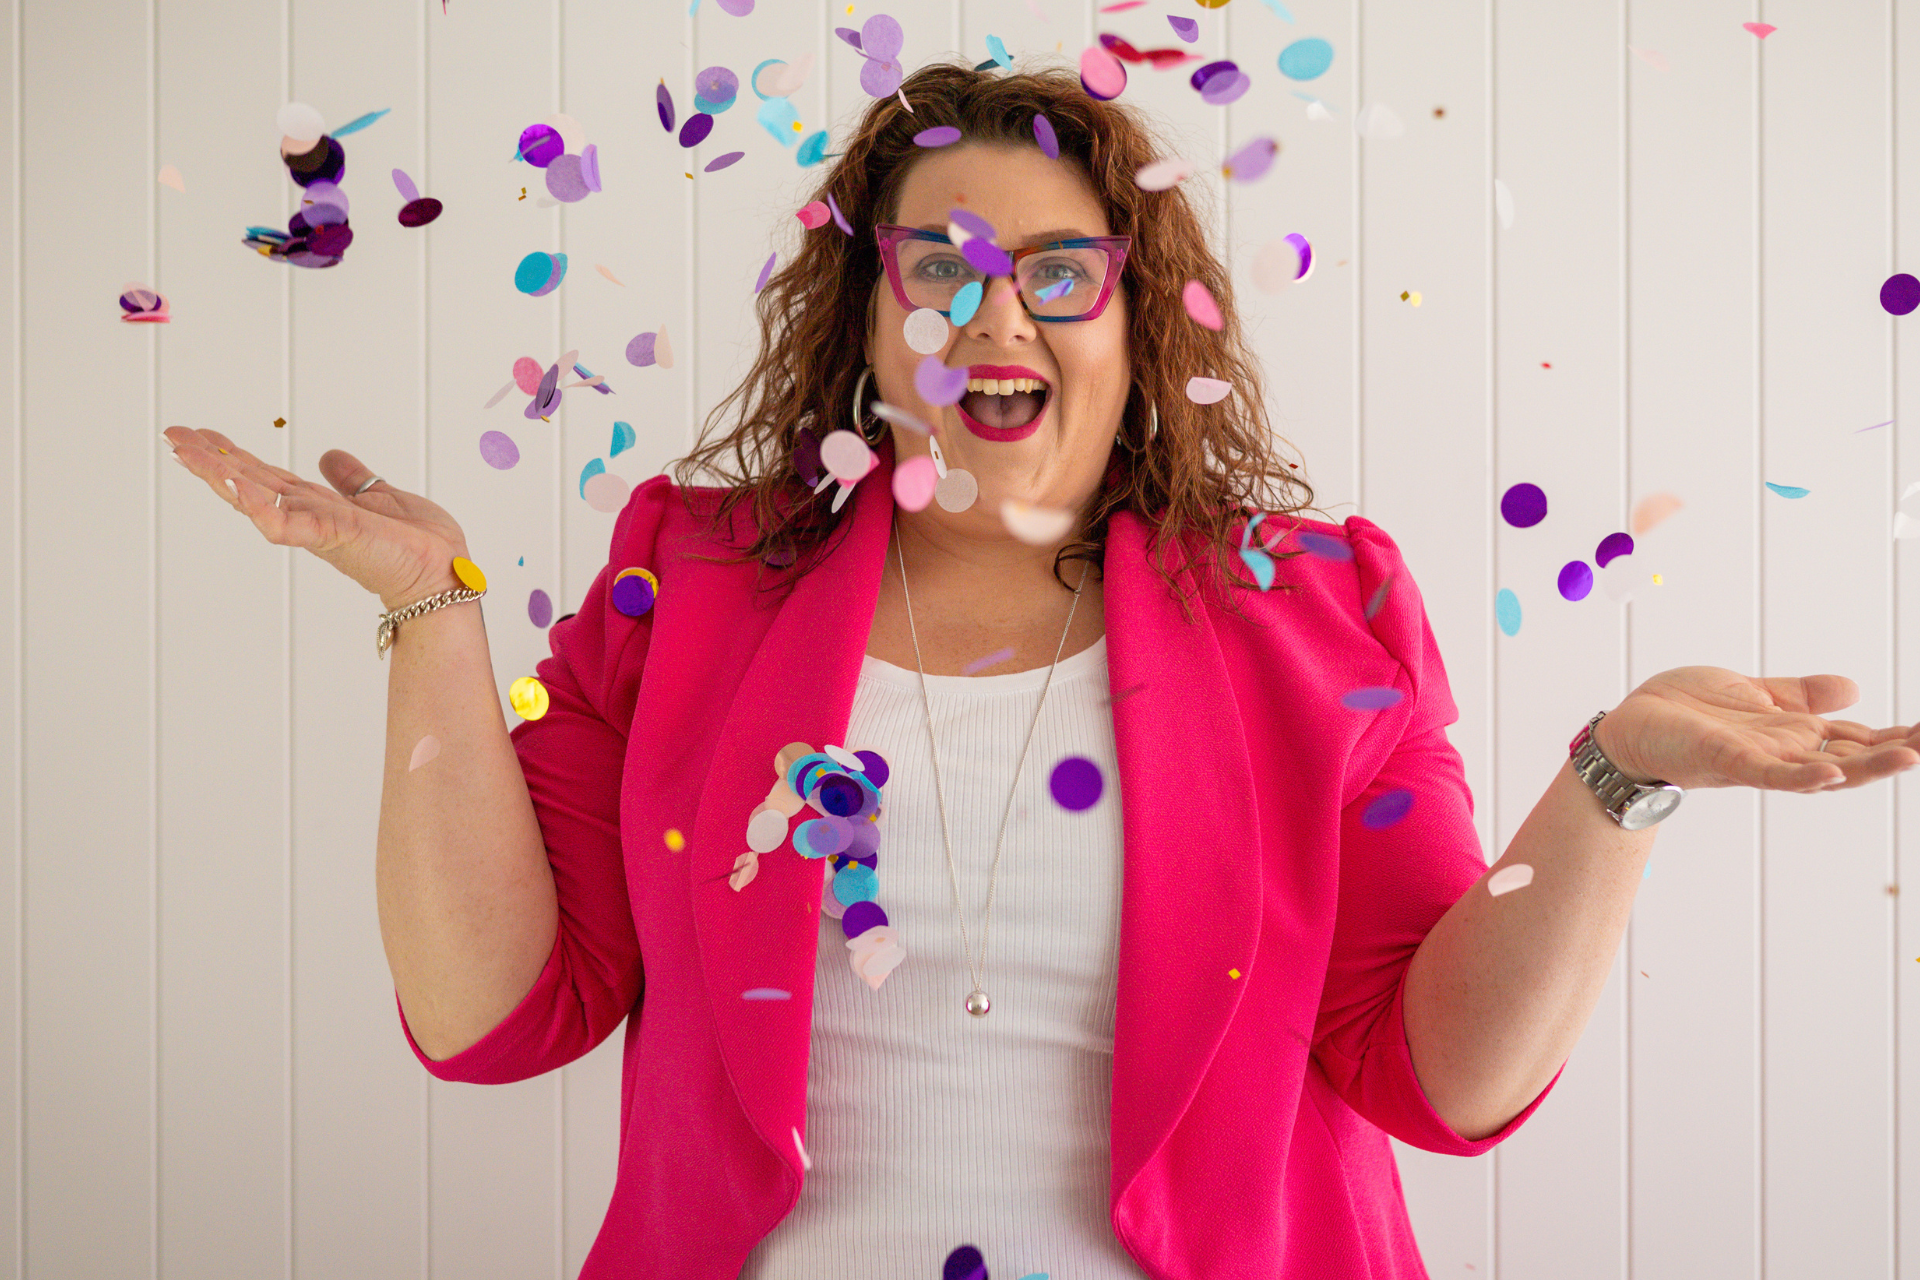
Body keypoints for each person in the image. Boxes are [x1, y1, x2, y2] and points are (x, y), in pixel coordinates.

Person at [164, 60, 1920, 1280]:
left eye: (1058, 272)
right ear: (864, 321)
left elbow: (1435, 1080)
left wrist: (1617, 779)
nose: (995, 316)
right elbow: (491, 1019)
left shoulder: (1321, 611)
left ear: (1139, 319)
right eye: (937, 266)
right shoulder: (685, 580)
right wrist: (432, 614)